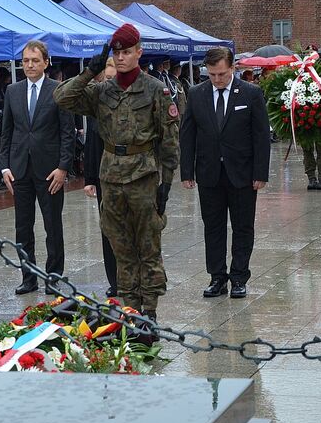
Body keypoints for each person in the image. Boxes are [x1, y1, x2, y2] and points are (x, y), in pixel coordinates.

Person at [54, 24, 179, 321]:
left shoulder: (155, 90)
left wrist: (167, 183)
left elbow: (170, 141)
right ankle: (130, 308)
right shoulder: (102, 91)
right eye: (116, 53)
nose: (121, 58)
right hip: (111, 176)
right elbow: (62, 98)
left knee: (148, 246)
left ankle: (149, 313)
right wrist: (89, 71)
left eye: (126, 52)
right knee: (120, 245)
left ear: (139, 52)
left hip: (144, 176)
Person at [180, 47, 270, 299]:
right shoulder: (196, 94)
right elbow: (187, 134)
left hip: (242, 173)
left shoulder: (251, 93)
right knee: (213, 227)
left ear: (232, 68)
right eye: (212, 75)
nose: (217, 79)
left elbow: (261, 136)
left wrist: (260, 172)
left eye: (221, 74)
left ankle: (239, 277)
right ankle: (217, 277)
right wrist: (187, 170)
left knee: (243, 227)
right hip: (209, 172)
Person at [0, 41, 75, 296]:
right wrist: (4, 167)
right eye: (25, 60)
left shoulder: (58, 90)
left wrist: (63, 167)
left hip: (49, 171)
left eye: (34, 60)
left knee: (52, 226)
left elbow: (67, 133)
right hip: (20, 170)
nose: (29, 65)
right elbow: (6, 132)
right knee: (23, 227)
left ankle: (53, 276)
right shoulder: (12, 91)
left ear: (46, 62)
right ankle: (28, 277)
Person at [82, 57, 118, 297]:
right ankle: (114, 280)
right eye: (106, 76)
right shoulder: (98, 101)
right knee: (108, 229)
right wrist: (89, 179)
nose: (110, 79)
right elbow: (92, 143)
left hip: (133, 174)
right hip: (104, 175)